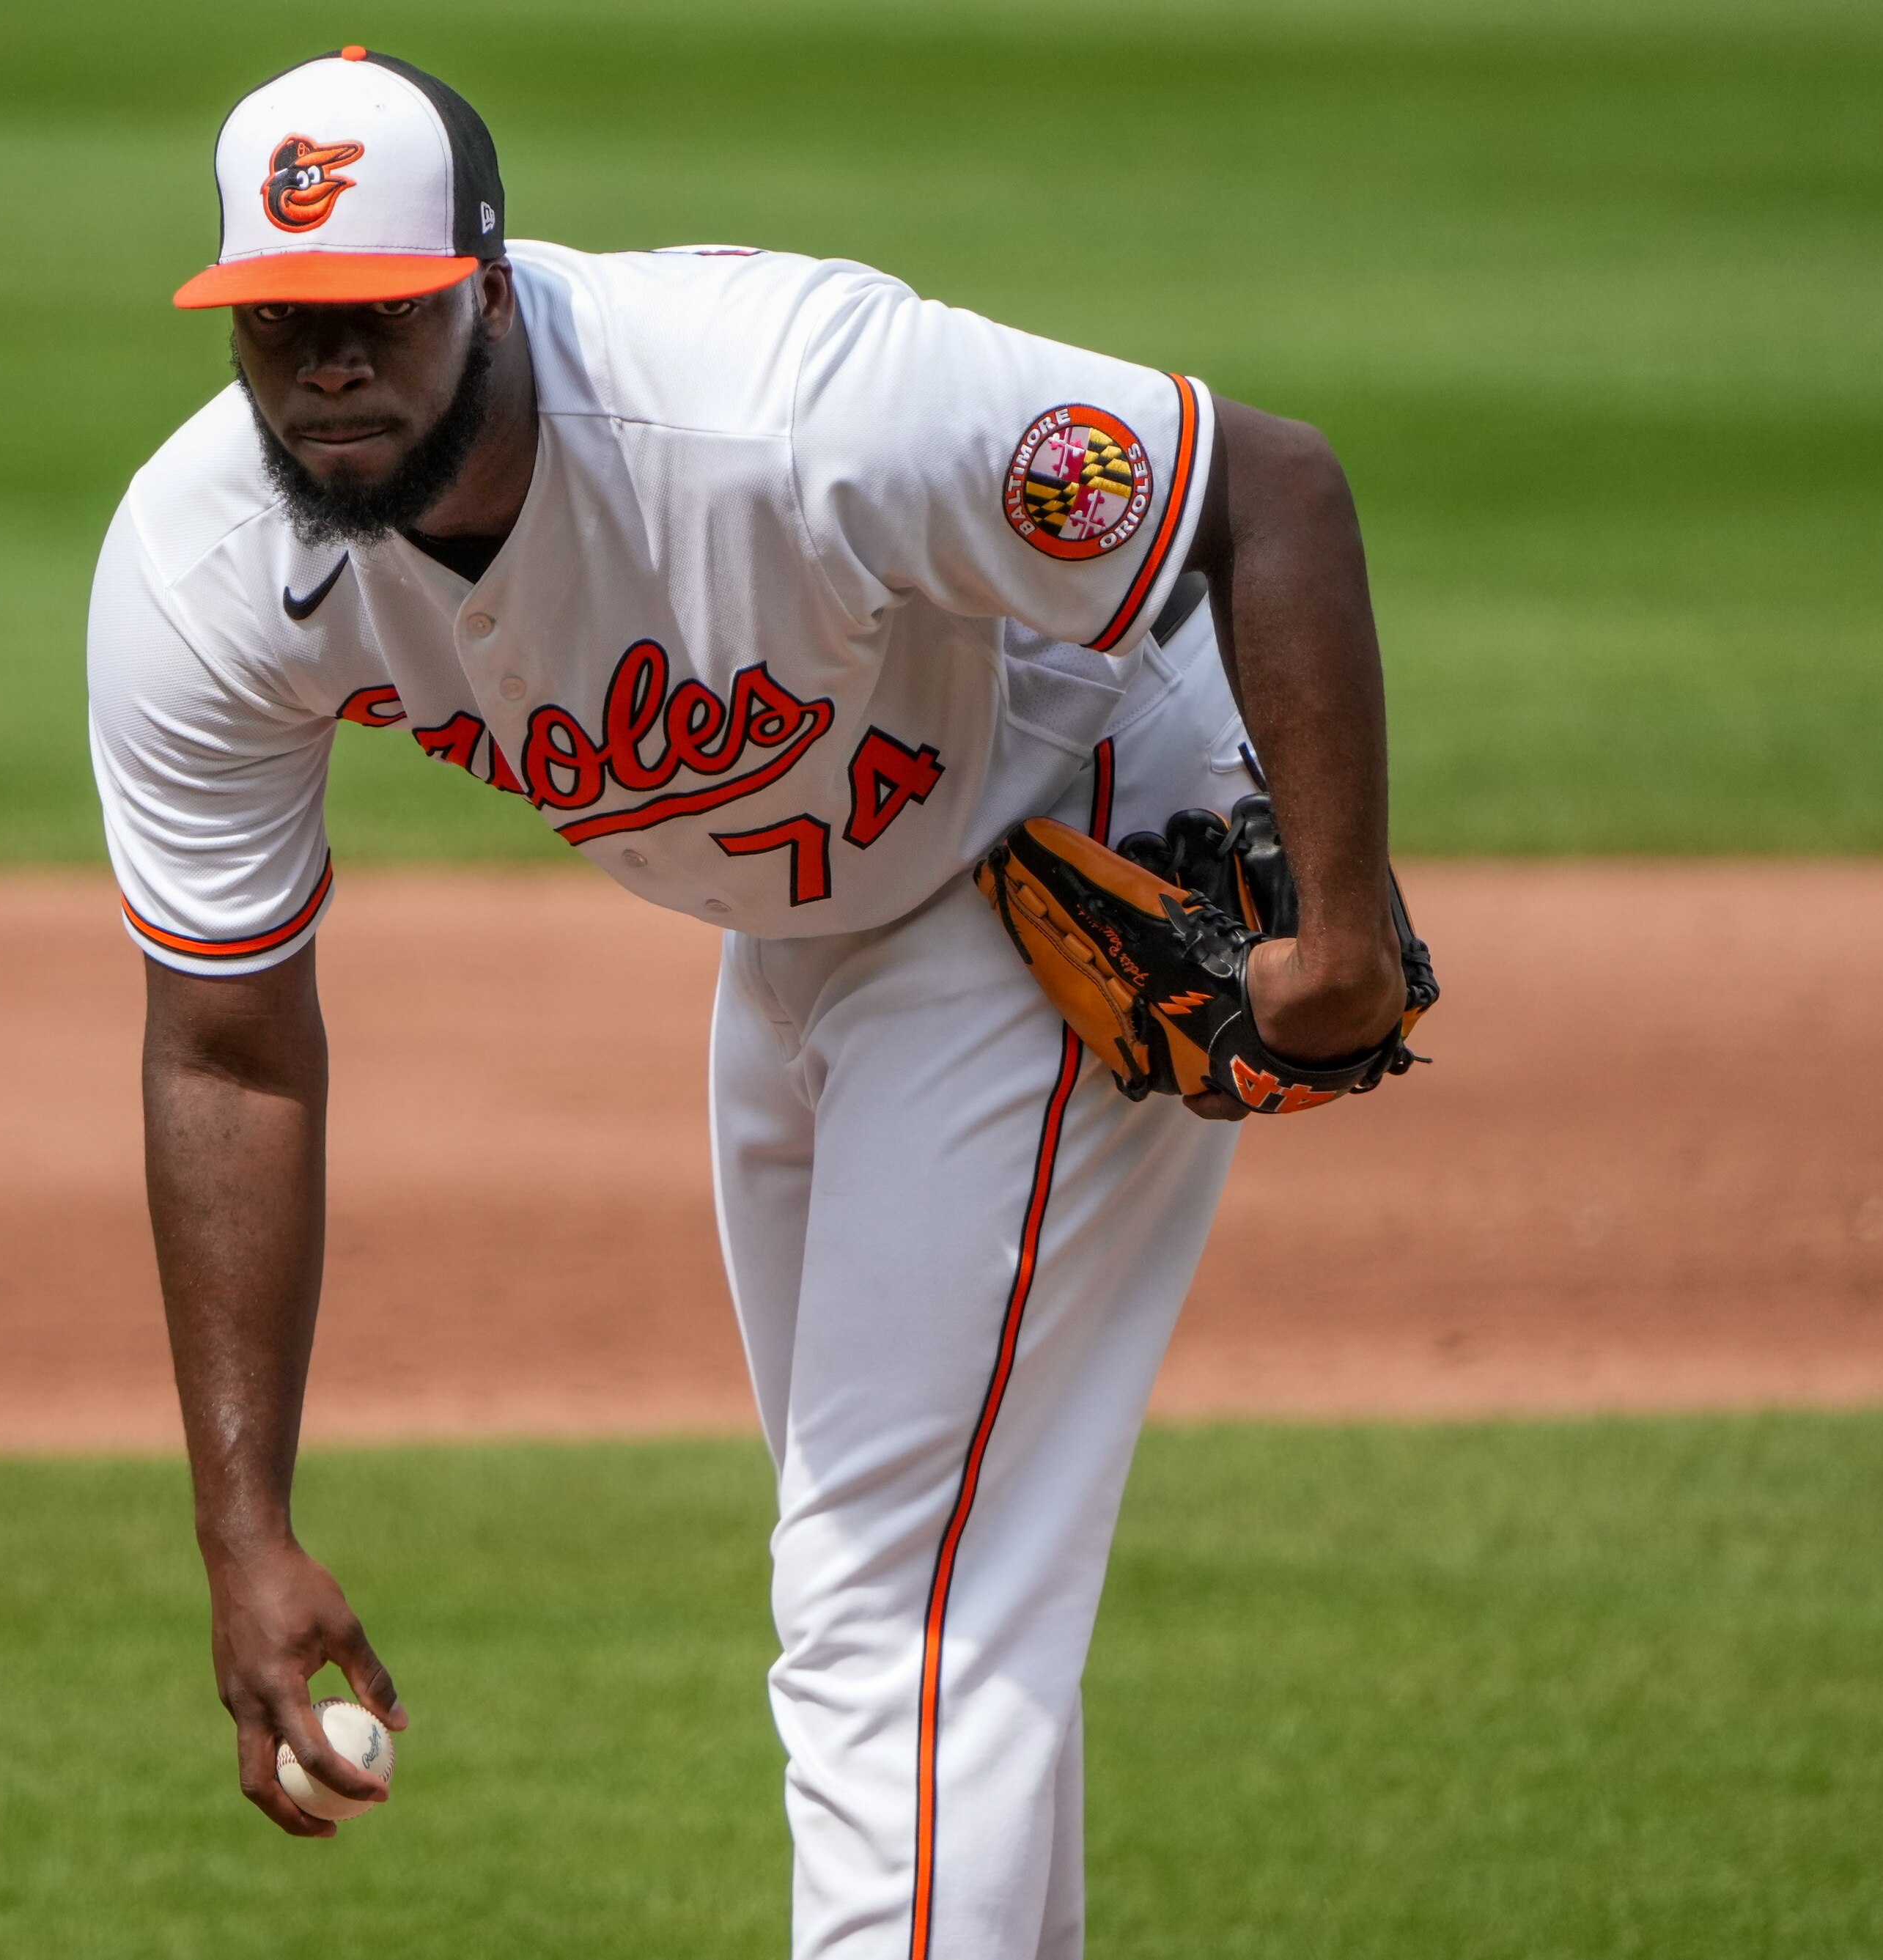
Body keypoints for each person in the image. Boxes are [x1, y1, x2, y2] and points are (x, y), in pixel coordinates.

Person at [89, 46, 1408, 1960]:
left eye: (373, 311)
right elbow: (224, 1034)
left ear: (486, 279)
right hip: (798, 920)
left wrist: (1340, 925)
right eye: (277, 321)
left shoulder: (795, 404)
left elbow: (1263, 488)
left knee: (891, 1596)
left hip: (1057, 835)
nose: (327, 366)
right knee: (912, 1578)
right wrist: (245, 1526)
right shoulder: (204, 564)